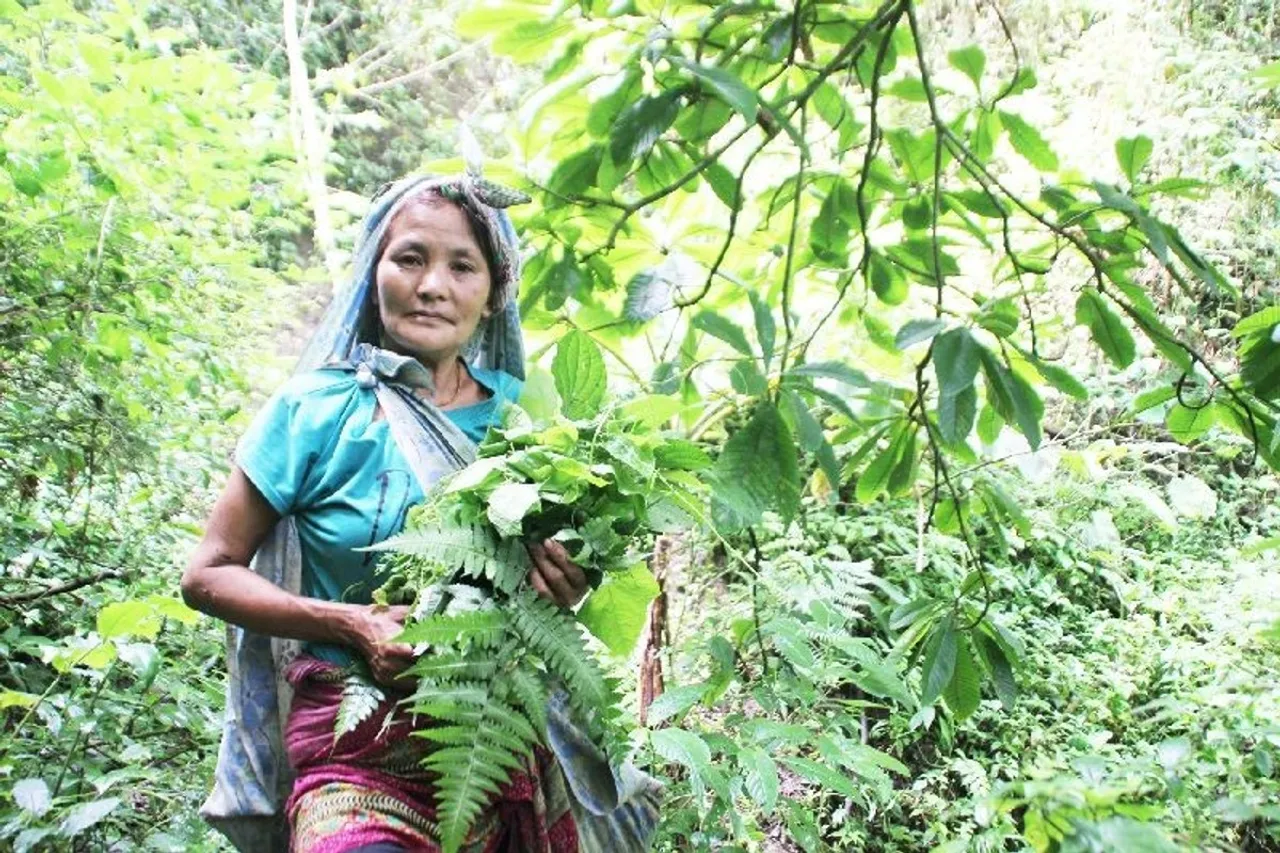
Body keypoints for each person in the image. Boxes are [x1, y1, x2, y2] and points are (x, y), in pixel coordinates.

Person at [182, 175, 659, 853]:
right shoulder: (312, 413)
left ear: (494, 291)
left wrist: (570, 582)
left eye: (461, 266)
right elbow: (208, 573)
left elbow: (555, 596)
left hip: (499, 744)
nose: (432, 285)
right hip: (352, 751)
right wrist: (350, 622)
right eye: (409, 258)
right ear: (372, 272)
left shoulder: (535, 422)